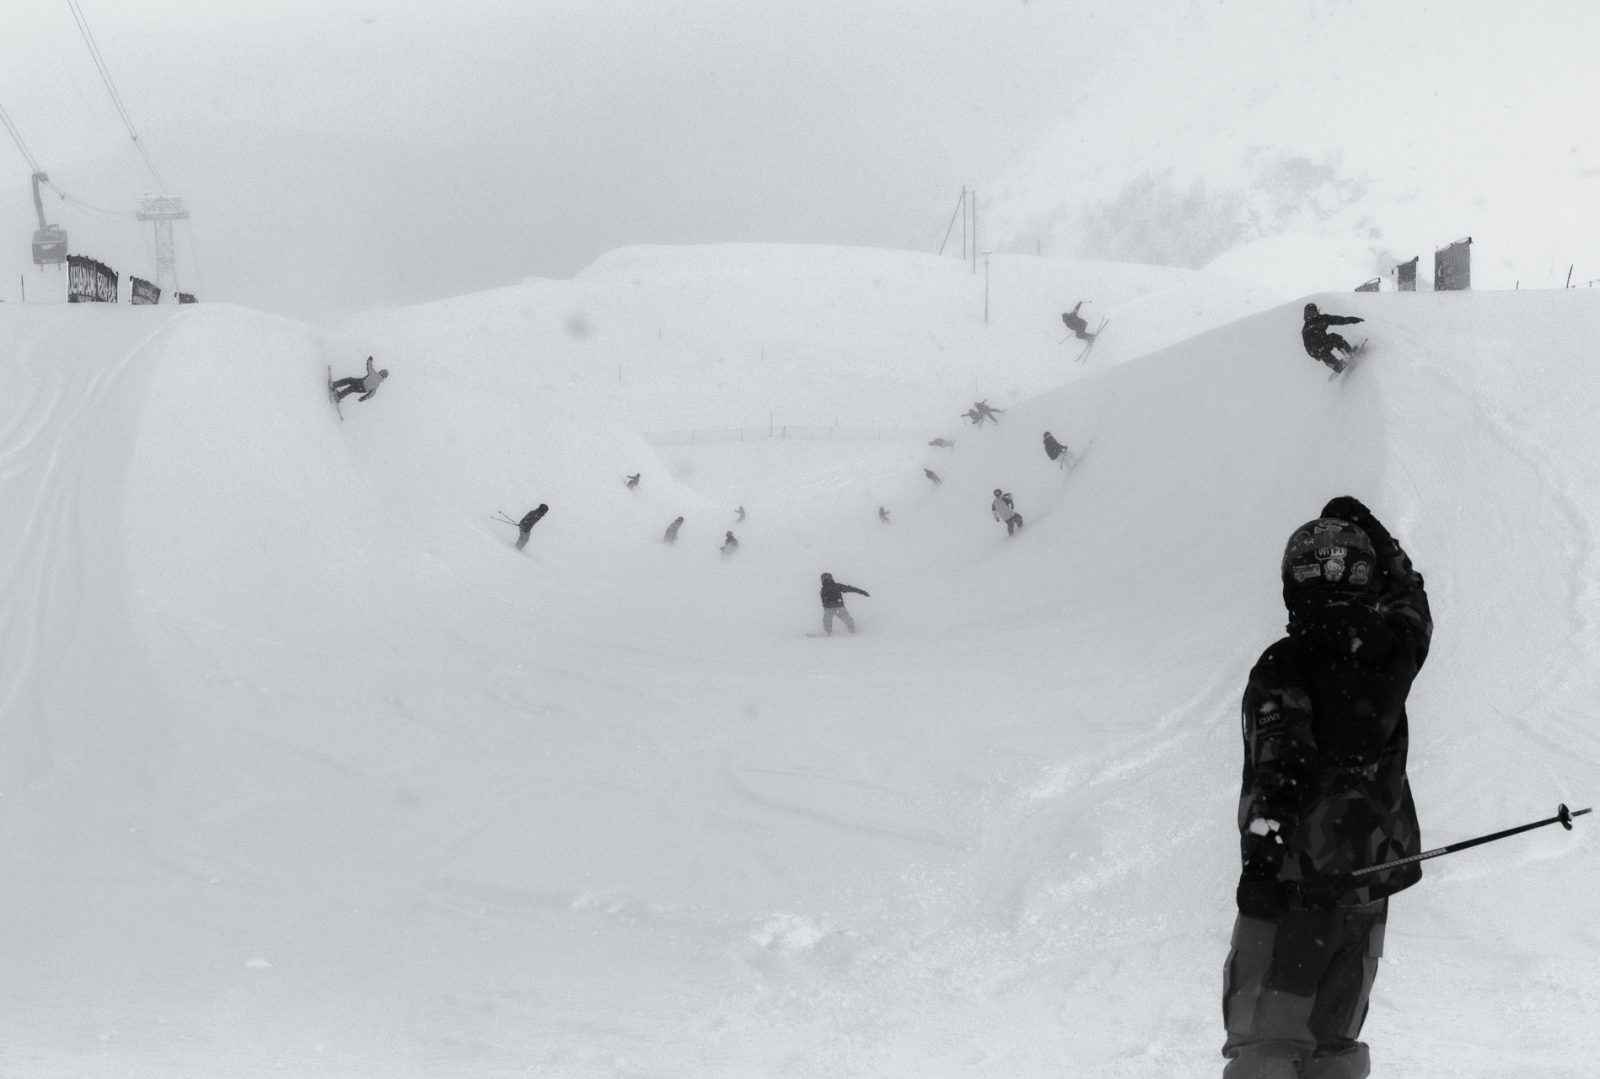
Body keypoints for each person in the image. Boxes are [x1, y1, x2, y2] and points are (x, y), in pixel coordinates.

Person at [1222, 496, 1432, 1079]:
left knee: (1266, 1041)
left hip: (1296, 889)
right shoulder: (1394, 652)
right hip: (1366, 891)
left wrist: (1262, 870)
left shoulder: (1286, 663)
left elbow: (1281, 771)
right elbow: (1413, 602)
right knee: (1331, 1043)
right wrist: (1376, 536)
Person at [1301, 303, 1365, 372]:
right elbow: (1307, 346)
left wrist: (1353, 319)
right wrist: (1315, 355)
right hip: (1316, 348)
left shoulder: (1322, 318)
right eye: (1310, 312)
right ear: (1306, 313)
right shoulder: (1306, 329)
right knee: (1325, 351)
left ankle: (1348, 353)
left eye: (1314, 311)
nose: (1313, 314)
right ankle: (1336, 365)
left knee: (1334, 338)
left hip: (1324, 341)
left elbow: (1339, 320)